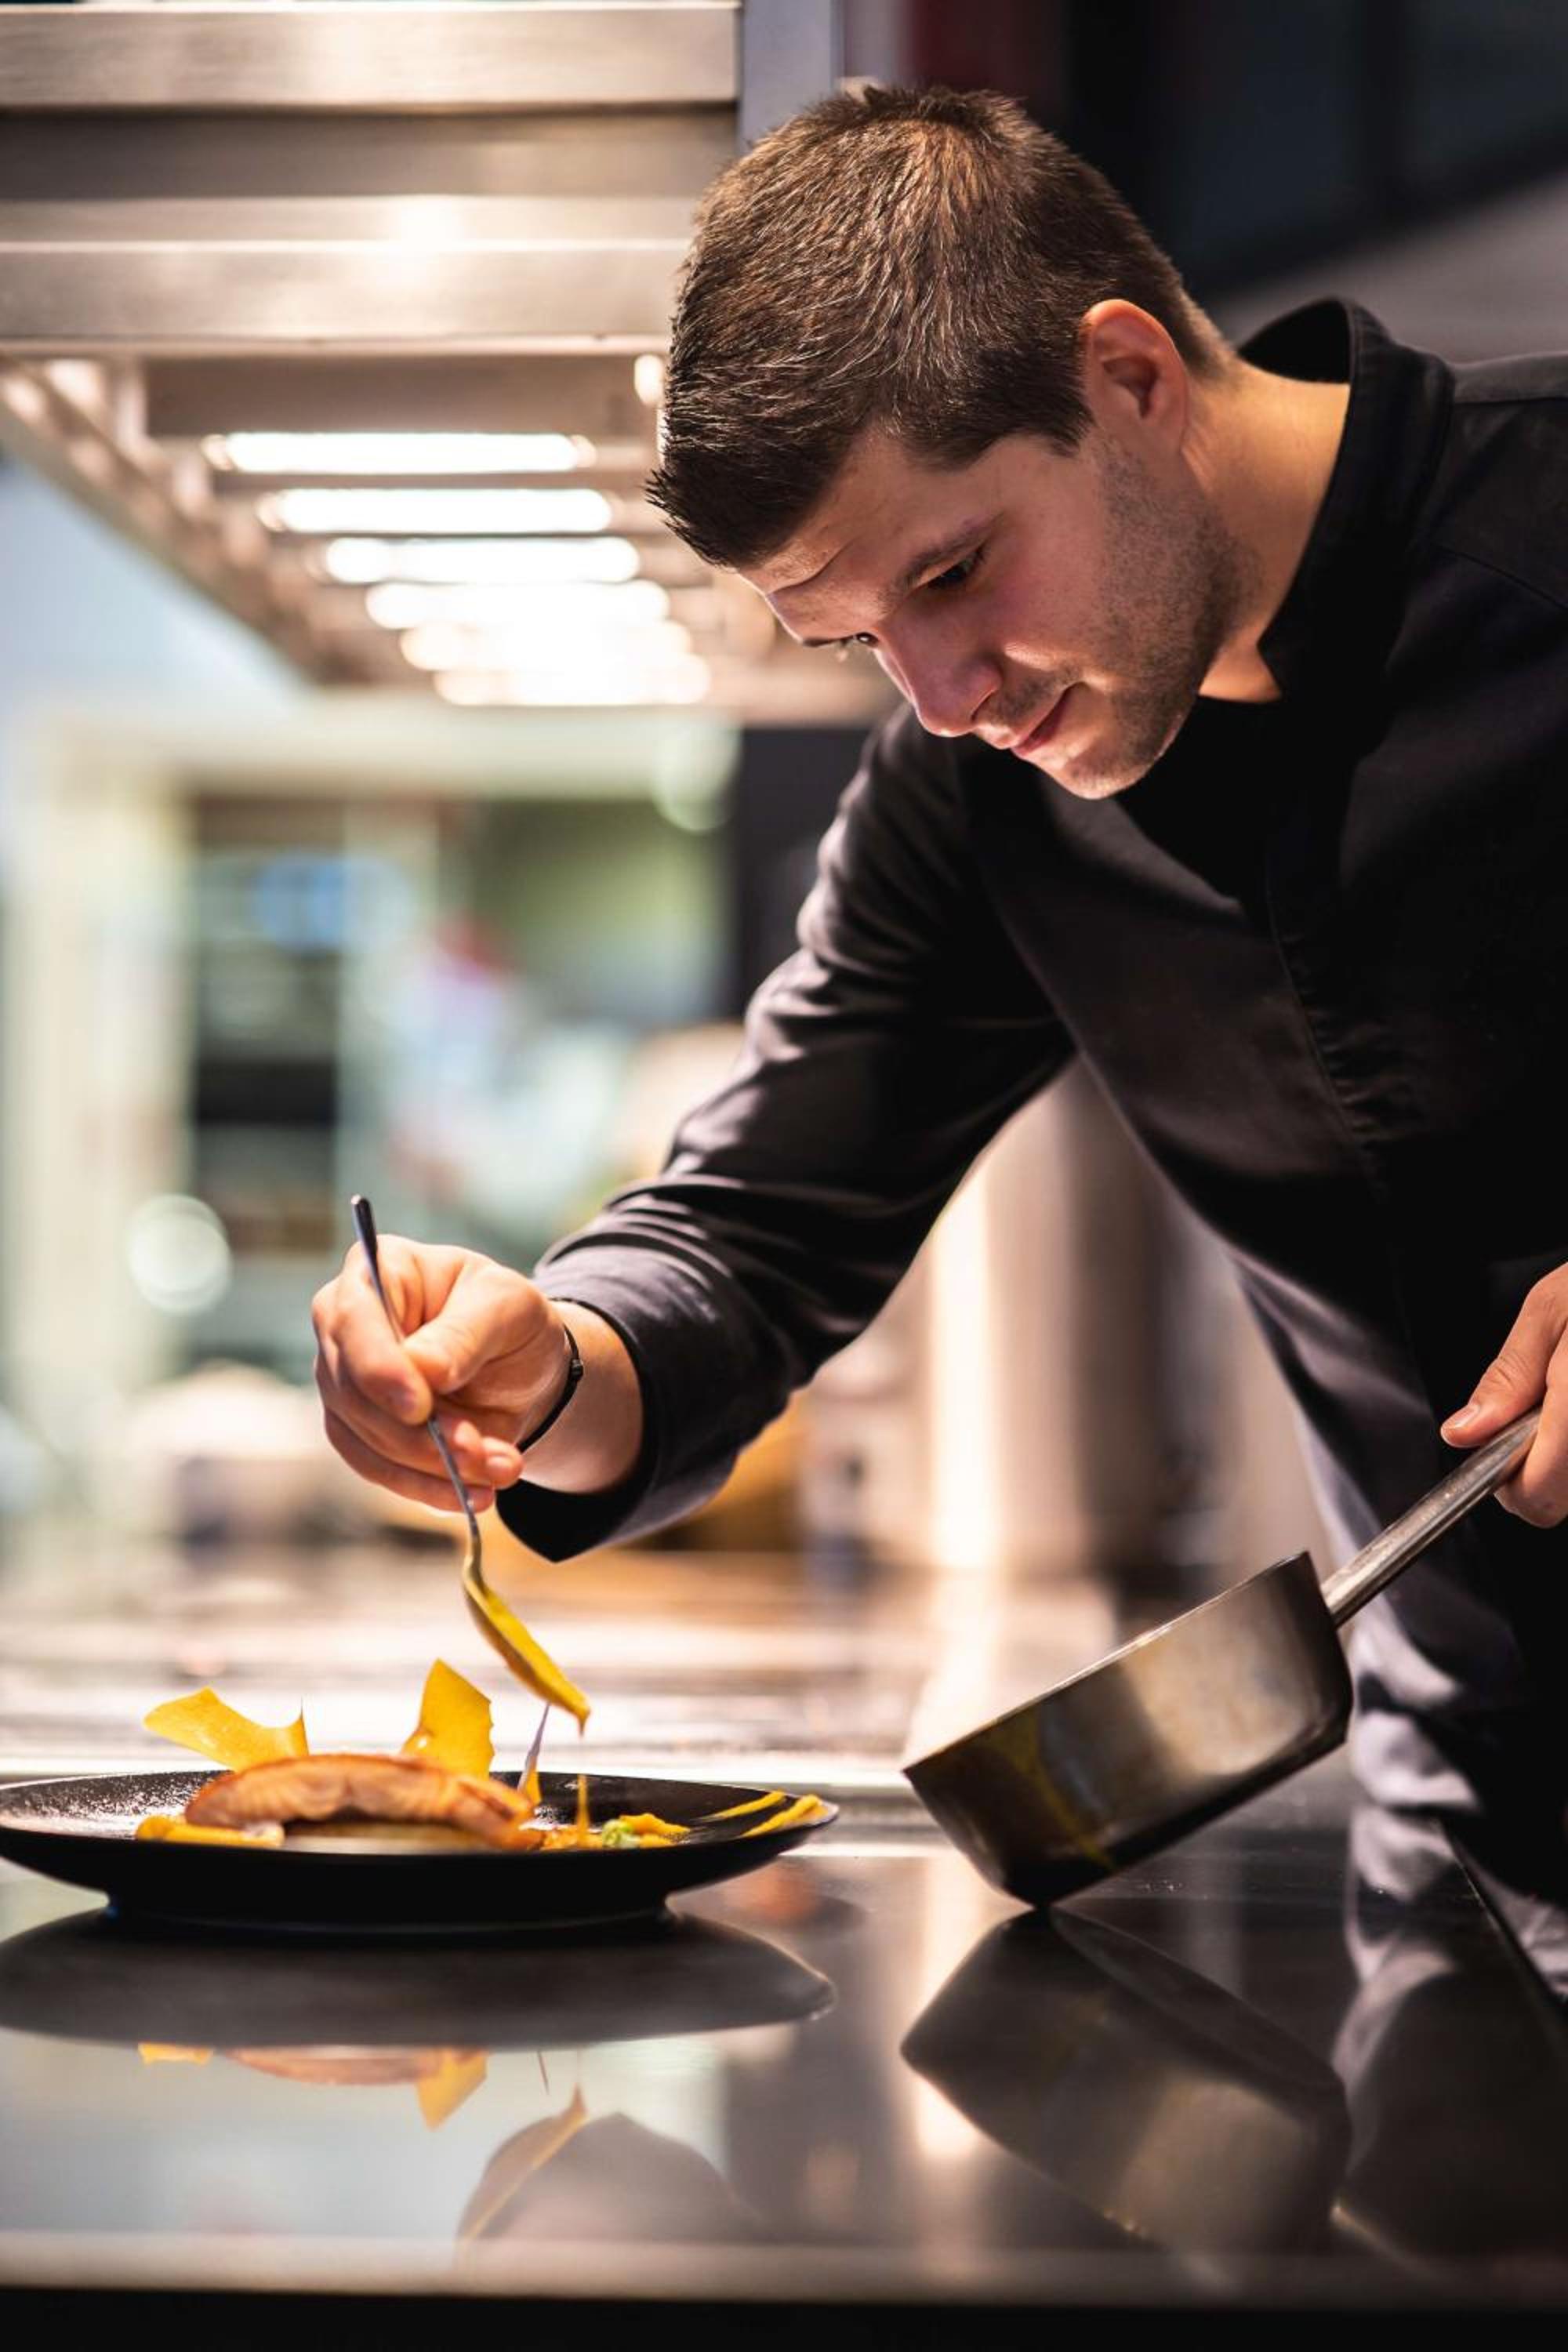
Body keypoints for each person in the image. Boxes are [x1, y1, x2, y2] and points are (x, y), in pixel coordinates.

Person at [314, 86, 1568, 1829]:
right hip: (1471, 1797)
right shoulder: (987, 794)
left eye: (959, 570)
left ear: (1128, 378)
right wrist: (557, 1366)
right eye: (859, 640)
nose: (949, 696)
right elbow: (753, 1236)